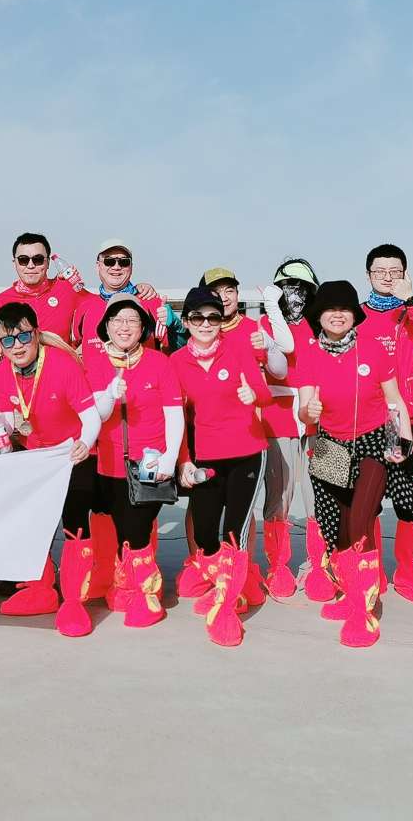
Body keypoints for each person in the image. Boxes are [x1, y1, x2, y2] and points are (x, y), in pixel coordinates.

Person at [295, 280, 413, 649]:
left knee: (362, 520)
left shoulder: (373, 349)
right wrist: (309, 411)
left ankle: (364, 611)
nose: (337, 315)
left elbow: (394, 400)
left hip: (372, 443)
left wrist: (402, 442)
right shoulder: (310, 354)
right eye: (330, 309)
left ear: (354, 314)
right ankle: (351, 593)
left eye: (344, 309)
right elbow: (303, 410)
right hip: (329, 446)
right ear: (319, 316)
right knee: (342, 527)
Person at [0, 302, 102, 635]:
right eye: (8, 340)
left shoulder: (62, 364)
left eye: (23, 336)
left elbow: (90, 416)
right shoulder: (0, 374)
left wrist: (85, 442)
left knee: (75, 523)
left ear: (36, 334)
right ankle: (40, 589)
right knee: (33, 524)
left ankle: (74, 601)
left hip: (71, 454)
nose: (17, 346)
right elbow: (10, 425)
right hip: (34, 457)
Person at [169, 288, 272, 646]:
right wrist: (184, 460)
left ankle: (227, 605)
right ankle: (236, 583)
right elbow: (178, 419)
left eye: (213, 317)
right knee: (206, 532)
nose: (206, 324)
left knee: (234, 530)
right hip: (206, 457)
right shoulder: (176, 361)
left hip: (247, 453)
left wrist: (253, 395)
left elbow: (264, 393)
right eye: (198, 317)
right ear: (186, 322)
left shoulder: (238, 349)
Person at [81, 295, 184, 631]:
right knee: (117, 527)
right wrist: (109, 394)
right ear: (106, 327)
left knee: (138, 529)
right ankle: (122, 584)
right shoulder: (95, 364)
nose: (124, 327)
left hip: (149, 463)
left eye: (132, 320)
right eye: (117, 320)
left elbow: (174, 413)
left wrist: (170, 457)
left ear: (143, 328)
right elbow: (94, 415)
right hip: (108, 461)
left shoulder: (159, 363)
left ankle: (148, 594)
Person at [360, 244, 413, 605]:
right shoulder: (355, 315)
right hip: (368, 421)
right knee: (367, 499)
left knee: (411, 498)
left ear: (406, 274)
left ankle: (410, 570)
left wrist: (412, 300)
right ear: (368, 275)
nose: (387, 277)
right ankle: (370, 571)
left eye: (395, 271)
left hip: (408, 421)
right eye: (380, 271)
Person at [258, 258, 322, 602]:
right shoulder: (264, 323)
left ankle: (318, 564)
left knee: (317, 494)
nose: (294, 294)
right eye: (287, 286)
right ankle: (278, 565)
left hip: (317, 419)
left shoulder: (320, 324)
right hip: (278, 417)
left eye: (301, 287)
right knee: (279, 495)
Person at [70, 237, 167, 350]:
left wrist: (175, 325)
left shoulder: (152, 303)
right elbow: (73, 349)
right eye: (109, 261)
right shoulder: (84, 308)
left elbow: (175, 347)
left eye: (124, 262)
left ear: (131, 267)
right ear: (98, 266)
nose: (116, 267)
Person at [0, 233, 81, 341]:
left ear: (48, 263)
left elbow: (98, 306)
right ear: (14, 263)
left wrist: (76, 283)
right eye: (23, 260)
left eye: (38, 259)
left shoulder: (66, 288)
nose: (31, 265)